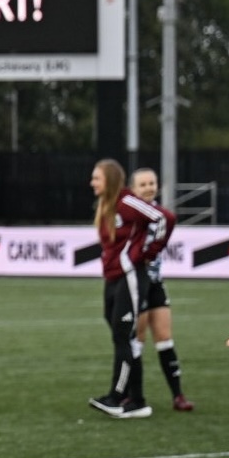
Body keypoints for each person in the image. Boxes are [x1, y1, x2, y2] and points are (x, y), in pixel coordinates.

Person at [87, 160, 165, 419]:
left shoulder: (126, 202)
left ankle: (117, 396)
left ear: (108, 180)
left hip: (130, 276)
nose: (92, 183)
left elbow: (163, 218)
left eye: (96, 178)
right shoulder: (106, 206)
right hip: (112, 278)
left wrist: (150, 252)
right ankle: (138, 399)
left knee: (123, 335)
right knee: (125, 338)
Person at [129, 168, 193, 412]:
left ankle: (178, 395)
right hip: (135, 282)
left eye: (152, 183)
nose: (148, 188)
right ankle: (132, 395)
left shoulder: (161, 216)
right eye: (142, 184)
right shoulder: (130, 216)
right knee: (137, 340)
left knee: (165, 338)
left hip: (155, 283)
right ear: (133, 190)